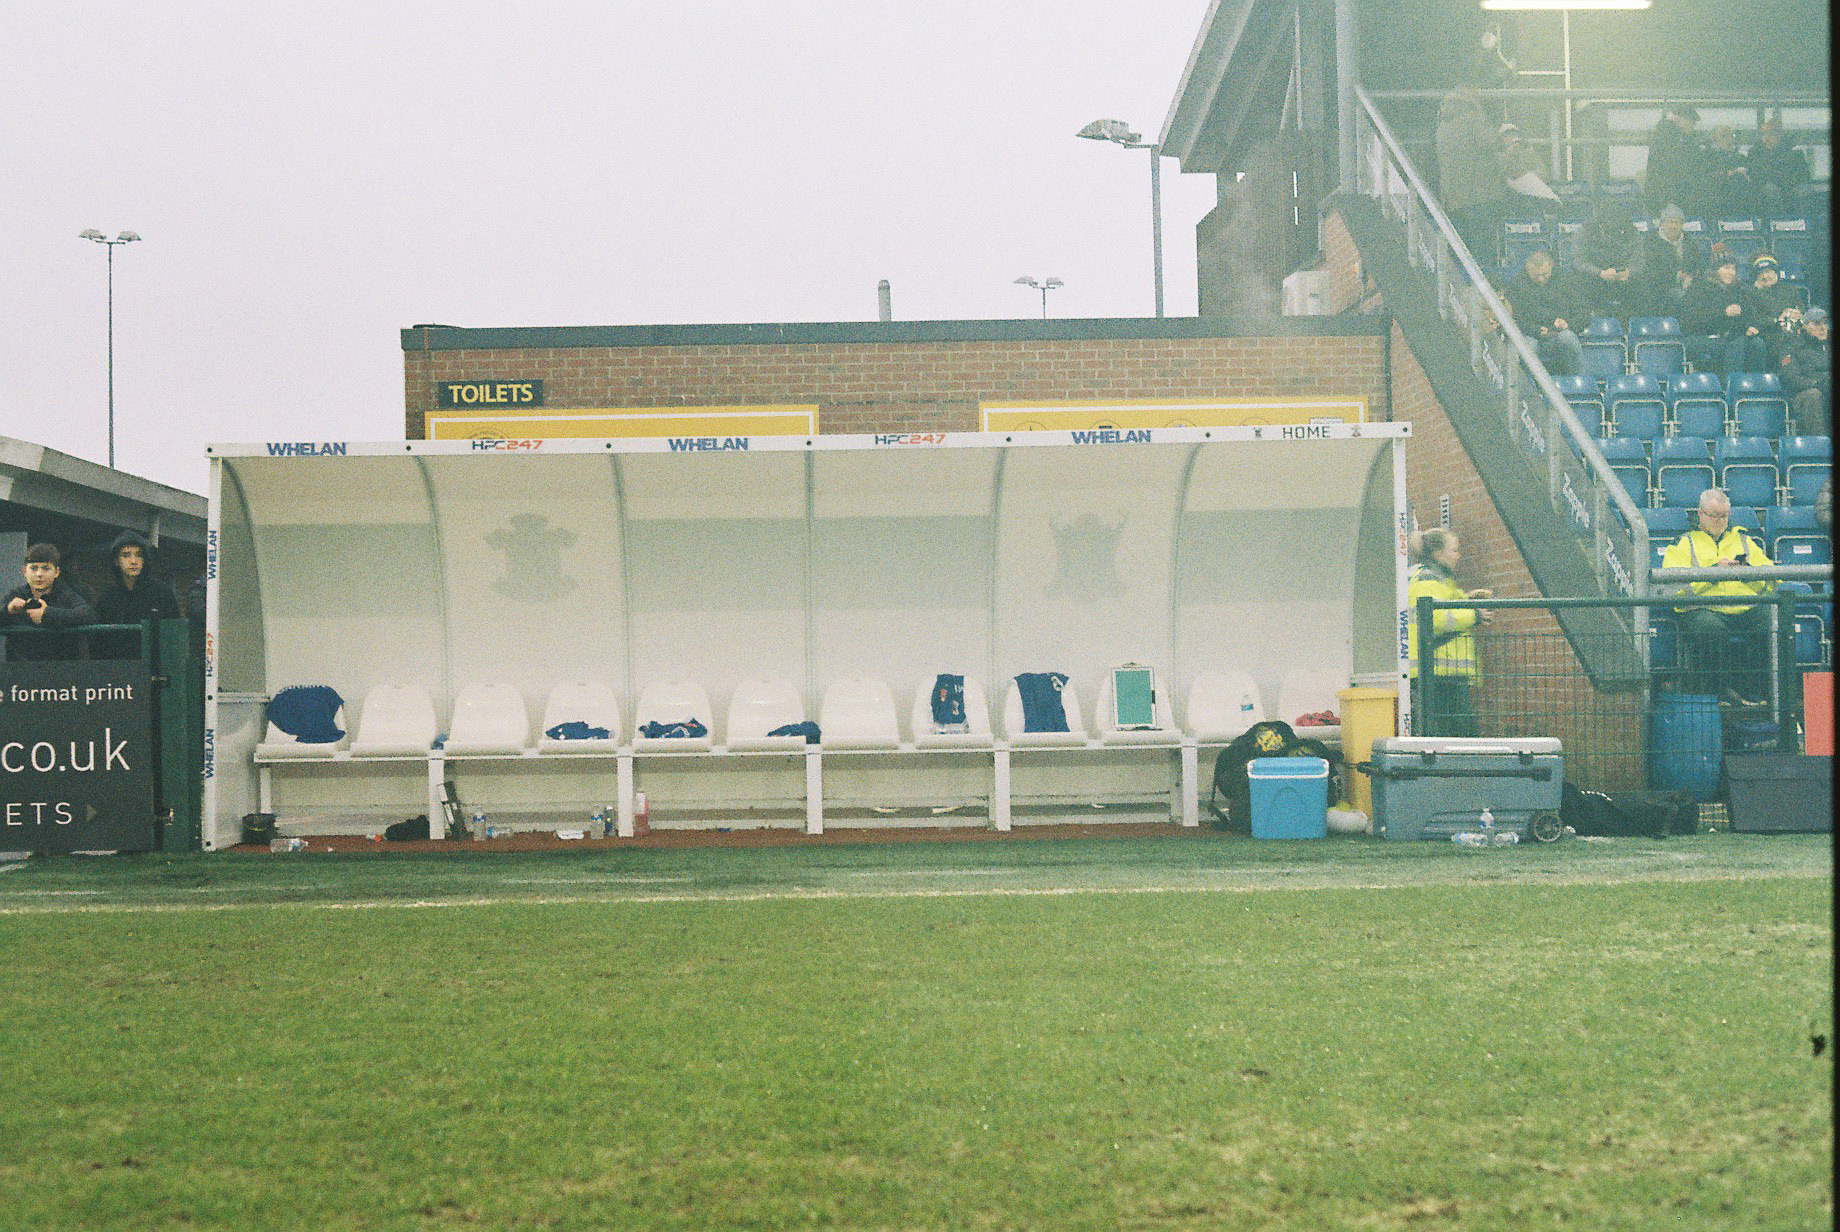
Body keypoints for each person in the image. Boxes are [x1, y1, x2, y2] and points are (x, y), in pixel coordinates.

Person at [1660, 489, 1775, 706]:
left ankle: (1754, 691)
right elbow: (1672, 589)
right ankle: (1717, 693)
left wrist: (1747, 572)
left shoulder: (1743, 540)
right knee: (1709, 628)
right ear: (1700, 513)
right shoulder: (1683, 543)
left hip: (1743, 606)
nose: (1720, 521)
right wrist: (1714, 573)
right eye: (1714, 515)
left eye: (1724, 515)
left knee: (1771, 620)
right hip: (1703, 609)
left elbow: (1771, 581)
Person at [1406, 528, 1492, 738]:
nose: (1458, 555)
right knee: (1456, 734)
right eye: (1454, 550)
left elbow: (1444, 605)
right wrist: (1475, 615)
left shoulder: (1434, 578)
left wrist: (1467, 599)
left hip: (1439, 673)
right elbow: (1435, 618)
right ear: (1438, 554)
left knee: (1454, 733)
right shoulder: (1429, 580)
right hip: (1438, 673)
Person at [1436, 87, 1507, 267]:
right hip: (1478, 196)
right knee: (1483, 250)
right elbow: (1491, 141)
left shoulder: (1443, 126)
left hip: (1453, 198)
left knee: (1461, 248)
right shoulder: (1472, 121)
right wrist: (1481, 114)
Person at [1, 542, 98, 662]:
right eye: (34, 568)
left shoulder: (66, 595)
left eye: (46, 568)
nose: (39, 574)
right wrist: (8, 610)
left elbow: (88, 615)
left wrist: (47, 614)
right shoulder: (15, 595)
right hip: (20, 669)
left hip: (60, 668)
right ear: (24, 571)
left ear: (57, 572)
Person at [92, 530, 180, 660]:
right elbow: (98, 642)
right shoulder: (107, 597)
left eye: (139, 555)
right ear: (116, 560)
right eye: (126, 555)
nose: (133, 561)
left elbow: (175, 637)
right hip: (116, 668)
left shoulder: (162, 593)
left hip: (154, 668)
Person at [1683, 247, 1768, 374]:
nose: (1731, 272)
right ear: (1715, 269)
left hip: (1731, 336)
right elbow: (1693, 320)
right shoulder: (1699, 288)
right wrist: (1723, 313)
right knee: (1735, 344)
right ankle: (1732, 383)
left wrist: (1747, 327)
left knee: (1757, 343)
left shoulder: (1738, 290)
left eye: (1733, 269)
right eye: (1727, 268)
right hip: (1701, 337)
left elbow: (1748, 313)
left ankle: (1756, 383)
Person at [1501, 250, 1587, 376]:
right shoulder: (1516, 284)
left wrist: (1567, 325)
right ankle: (1530, 386)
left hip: (1559, 334)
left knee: (1568, 338)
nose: (1540, 279)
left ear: (1551, 266)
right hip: (1530, 334)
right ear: (1527, 269)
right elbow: (1513, 318)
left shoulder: (1567, 280)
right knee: (1528, 347)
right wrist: (1535, 330)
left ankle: (1578, 382)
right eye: (1535, 275)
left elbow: (1583, 312)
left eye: (1545, 274)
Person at [1634, 204, 1707, 320]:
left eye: (1677, 222)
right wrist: (1678, 276)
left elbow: (1698, 266)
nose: (1673, 226)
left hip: (1687, 286)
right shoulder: (1650, 242)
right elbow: (1650, 271)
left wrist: (1691, 277)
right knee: (1686, 299)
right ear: (1662, 224)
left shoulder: (1689, 242)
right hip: (1659, 289)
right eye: (1670, 222)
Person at [1573, 204, 1645, 320]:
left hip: (1624, 280)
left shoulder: (1631, 232)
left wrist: (1628, 272)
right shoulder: (1585, 232)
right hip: (1594, 279)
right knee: (1579, 283)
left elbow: (1639, 260)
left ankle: (1636, 323)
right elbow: (1579, 262)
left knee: (1644, 284)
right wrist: (1600, 273)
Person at [1777, 306, 1831, 437]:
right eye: (1817, 324)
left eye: (1825, 323)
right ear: (1805, 325)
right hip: (1802, 393)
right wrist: (1816, 384)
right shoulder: (1791, 345)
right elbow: (1790, 378)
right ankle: (1818, 442)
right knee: (1813, 395)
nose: (1823, 328)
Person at [1644, 105, 1704, 215]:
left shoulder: (1684, 140)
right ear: (1679, 119)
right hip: (1667, 197)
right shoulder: (1667, 139)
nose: (1693, 125)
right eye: (1691, 121)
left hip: (1676, 195)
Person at [1744, 115, 1810, 213]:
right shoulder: (1755, 153)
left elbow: (1804, 173)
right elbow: (1755, 173)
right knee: (1771, 190)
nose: (1767, 138)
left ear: (1779, 136)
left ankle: (1802, 219)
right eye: (1764, 134)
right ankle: (1775, 219)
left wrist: (1790, 182)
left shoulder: (1794, 153)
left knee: (1804, 189)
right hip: (1766, 186)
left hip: (1790, 185)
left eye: (1771, 134)